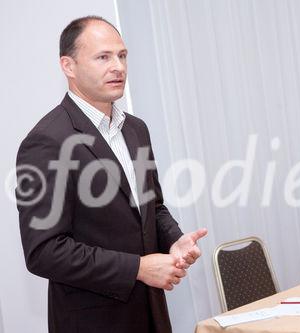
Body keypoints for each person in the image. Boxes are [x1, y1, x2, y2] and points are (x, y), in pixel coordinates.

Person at [15, 16, 207, 332]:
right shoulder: (47, 141)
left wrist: (174, 239)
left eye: (122, 55)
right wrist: (137, 268)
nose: (118, 66)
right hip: (93, 321)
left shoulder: (135, 129)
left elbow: (152, 207)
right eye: (103, 57)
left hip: (152, 313)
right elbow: (44, 251)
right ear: (68, 66)